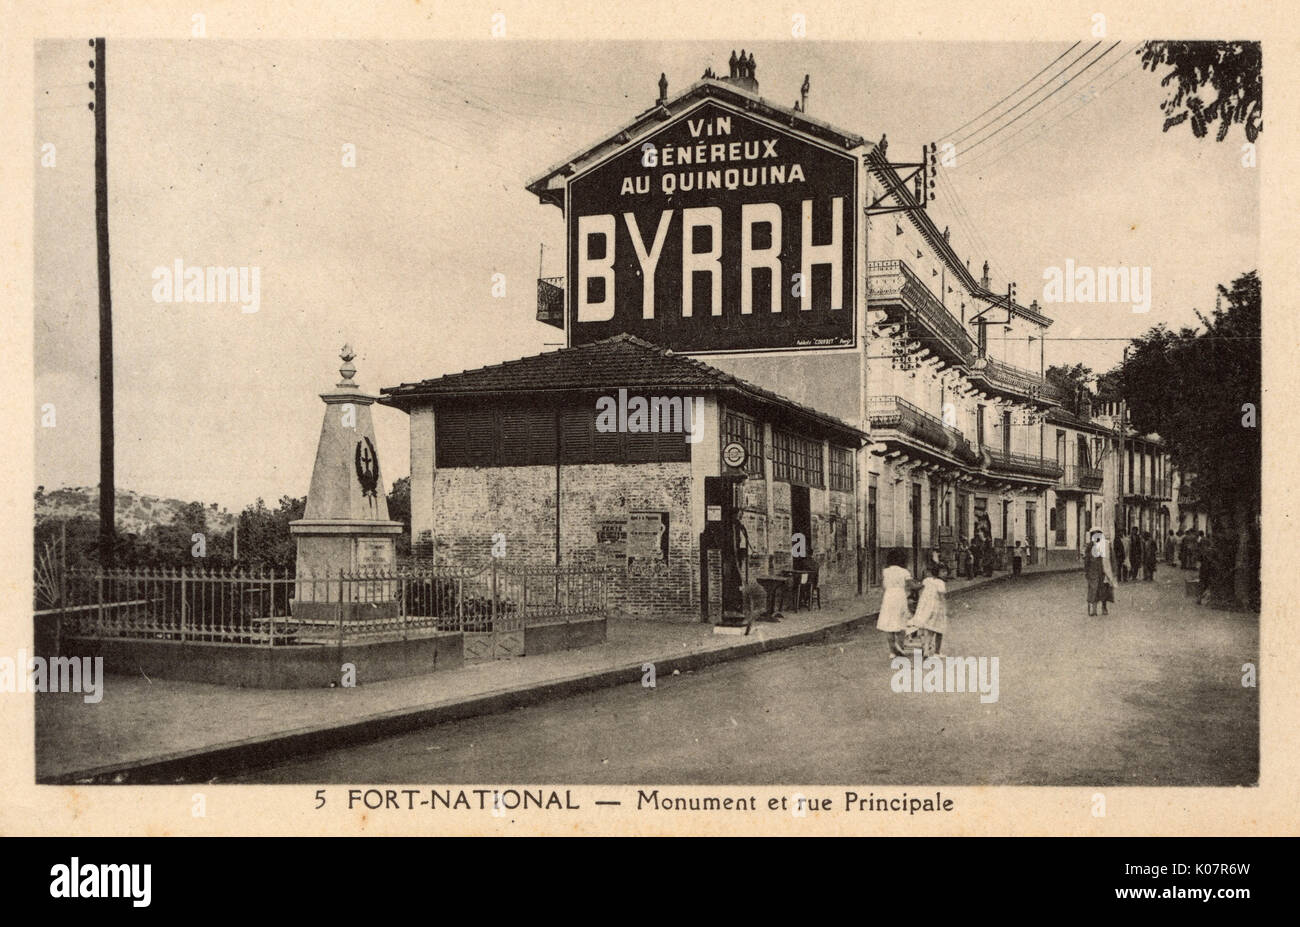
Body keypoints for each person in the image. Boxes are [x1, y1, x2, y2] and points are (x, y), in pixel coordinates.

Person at [878, 549, 916, 656]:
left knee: (889, 625)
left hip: (888, 597)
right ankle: (900, 648)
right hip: (899, 597)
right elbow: (911, 586)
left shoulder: (885, 571)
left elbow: (883, 586)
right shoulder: (904, 572)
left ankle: (892, 651)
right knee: (900, 624)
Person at [909, 559, 949, 656]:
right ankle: (937, 652)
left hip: (926, 608)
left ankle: (926, 648)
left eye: (946, 571)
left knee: (928, 629)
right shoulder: (941, 583)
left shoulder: (927, 580)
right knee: (939, 630)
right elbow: (942, 596)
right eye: (943, 571)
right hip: (937, 609)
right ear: (937, 572)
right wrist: (946, 609)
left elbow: (919, 587)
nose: (945, 573)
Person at [1084, 528, 1116, 616]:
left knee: (1104, 590)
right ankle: (1094, 610)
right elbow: (1086, 560)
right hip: (1093, 571)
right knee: (1093, 590)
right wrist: (1086, 571)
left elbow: (1111, 558)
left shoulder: (1106, 545)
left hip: (1104, 571)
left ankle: (1104, 607)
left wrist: (1113, 571)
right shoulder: (1090, 546)